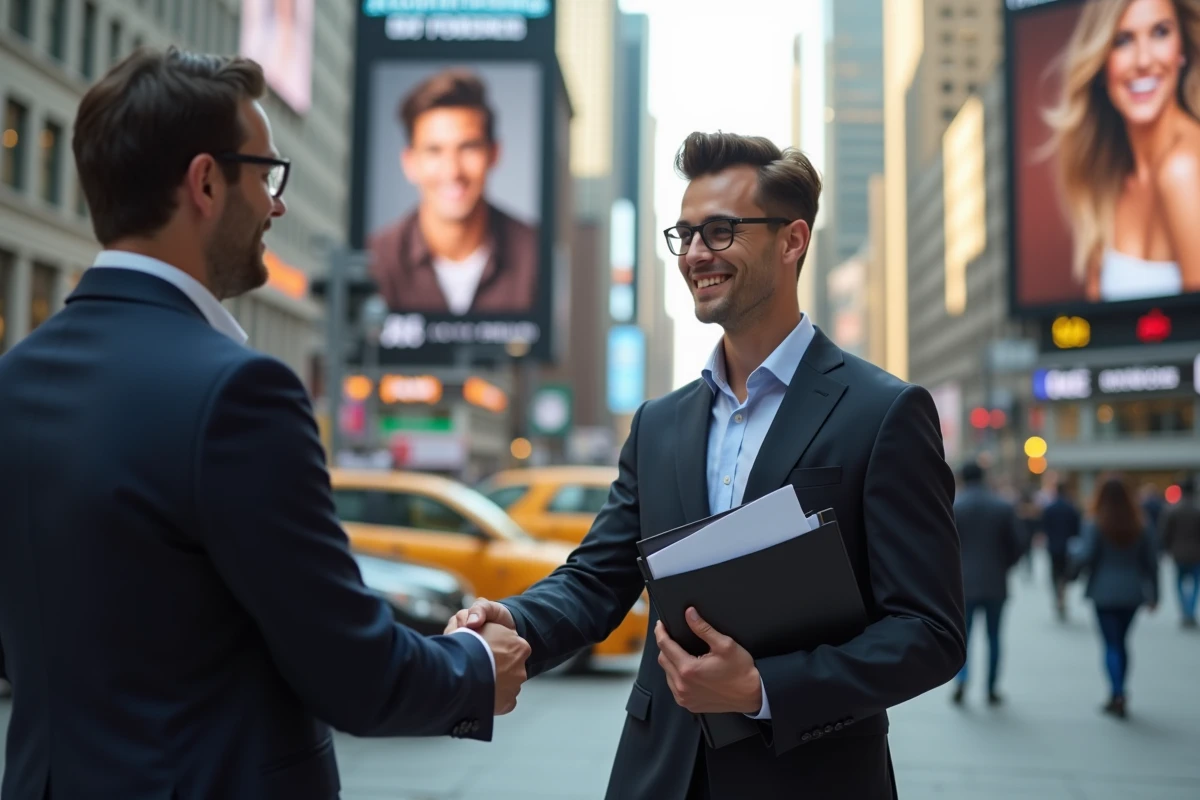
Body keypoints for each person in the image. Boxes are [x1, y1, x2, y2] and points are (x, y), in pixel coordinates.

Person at [0, 47, 530, 800]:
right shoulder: (238, 395)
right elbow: (354, 675)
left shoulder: (12, 381)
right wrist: (476, 667)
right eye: (266, 175)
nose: (276, 205)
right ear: (207, 182)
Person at [448, 132, 967, 799]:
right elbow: (597, 579)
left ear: (791, 240)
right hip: (657, 773)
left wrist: (762, 689)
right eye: (685, 234)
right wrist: (513, 619)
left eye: (720, 232)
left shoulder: (884, 412)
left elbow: (929, 631)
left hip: (813, 779)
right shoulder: (660, 424)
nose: (695, 254)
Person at [1043, 0, 1200, 302]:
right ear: (1101, 63)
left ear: (1182, 50)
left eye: (1160, 32)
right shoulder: (1105, 180)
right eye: (1123, 40)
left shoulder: (1184, 170)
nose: (1143, 60)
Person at [367, 68, 538, 316]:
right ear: (409, 163)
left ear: (494, 154)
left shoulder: (535, 255)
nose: (452, 171)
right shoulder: (375, 260)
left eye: (468, 147)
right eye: (434, 150)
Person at [1069, 474, 1160, 719]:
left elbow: (1087, 555)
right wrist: (1155, 594)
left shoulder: (1095, 522)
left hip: (1103, 591)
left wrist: (1072, 570)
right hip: (1132, 592)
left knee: (1111, 644)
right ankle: (1120, 690)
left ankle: (1116, 692)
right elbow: (1151, 563)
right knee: (1122, 642)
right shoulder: (1141, 523)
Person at [950, 463, 1025, 707]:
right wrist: (1004, 565)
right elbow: (1018, 543)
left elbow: (943, 546)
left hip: (963, 584)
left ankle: (962, 679)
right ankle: (991, 687)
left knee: (964, 637)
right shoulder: (1001, 506)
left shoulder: (955, 507)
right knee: (994, 636)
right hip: (995, 582)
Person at [1158, 476, 1200, 628]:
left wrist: (1166, 549)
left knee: (1180, 582)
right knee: (1195, 583)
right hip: (1197, 553)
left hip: (1178, 552)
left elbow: (1165, 533)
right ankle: (1190, 612)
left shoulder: (1173, 510)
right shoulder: (1197, 509)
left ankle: (1185, 611)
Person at [1043, 480, 1084, 620]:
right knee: (1065, 574)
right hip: (1068, 547)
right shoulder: (1071, 508)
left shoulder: (1050, 508)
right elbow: (1077, 529)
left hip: (1053, 546)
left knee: (1055, 573)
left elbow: (1045, 527)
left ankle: (1058, 596)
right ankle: (1062, 596)